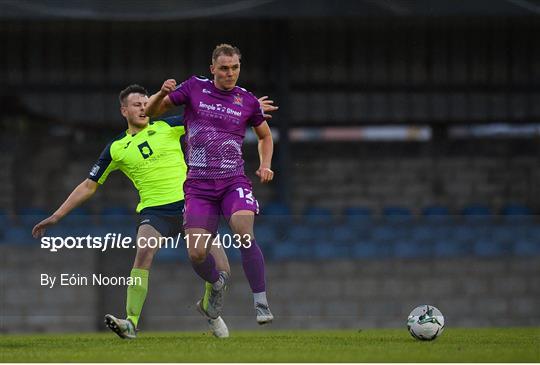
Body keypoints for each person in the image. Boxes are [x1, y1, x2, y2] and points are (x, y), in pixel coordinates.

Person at [31, 85, 235, 339]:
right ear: (123, 110)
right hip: (154, 211)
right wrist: (56, 216)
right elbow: (88, 185)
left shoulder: (168, 126)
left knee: (223, 270)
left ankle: (210, 311)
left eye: (145, 103)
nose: (142, 108)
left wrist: (250, 109)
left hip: (192, 204)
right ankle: (130, 323)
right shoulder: (116, 148)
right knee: (144, 251)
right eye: (136, 104)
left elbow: (209, 118)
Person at [145, 43, 275, 324]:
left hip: (233, 181)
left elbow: (265, 136)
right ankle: (216, 284)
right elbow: (153, 112)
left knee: (243, 229)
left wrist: (265, 164)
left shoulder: (247, 101)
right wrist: (161, 94)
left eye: (235, 68)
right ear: (213, 68)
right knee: (197, 254)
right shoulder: (194, 88)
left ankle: (261, 302)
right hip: (199, 186)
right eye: (225, 68)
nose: (230, 74)